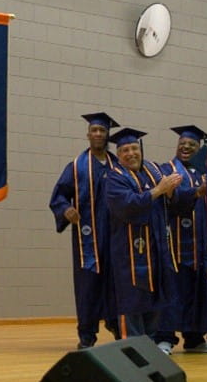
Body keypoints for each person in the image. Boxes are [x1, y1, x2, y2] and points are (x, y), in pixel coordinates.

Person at [105, 128, 188, 343]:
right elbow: (126, 205)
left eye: (134, 148)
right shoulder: (114, 177)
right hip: (129, 251)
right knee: (132, 299)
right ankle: (131, 347)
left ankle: (150, 346)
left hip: (157, 246)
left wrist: (171, 192)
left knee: (155, 298)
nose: (131, 153)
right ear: (119, 154)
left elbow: (172, 200)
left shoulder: (153, 169)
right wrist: (159, 190)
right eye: (125, 150)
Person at [49, 112, 121, 349]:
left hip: (115, 236)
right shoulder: (77, 166)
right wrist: (65, 209)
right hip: (87, 236)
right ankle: (87, 337)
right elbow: (59, 195)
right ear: (88, 135)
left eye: (102, 130)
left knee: (116, 283)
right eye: (94, 130)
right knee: (88, 285)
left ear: (108, 134)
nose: (98, 134)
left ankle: (120, 330)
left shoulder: (117, 165)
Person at [156, 125, 207, 354]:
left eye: (191, 145)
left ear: (199, 148)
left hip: (200, 244)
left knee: (197, 290)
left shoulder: (204, 174)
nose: (186, 147)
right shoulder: (166, 170)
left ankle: (194, 338)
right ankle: (165, 338)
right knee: (173, 290)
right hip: (174, 243)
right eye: (183, 144)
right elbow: (167, 201)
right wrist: (196, 193)